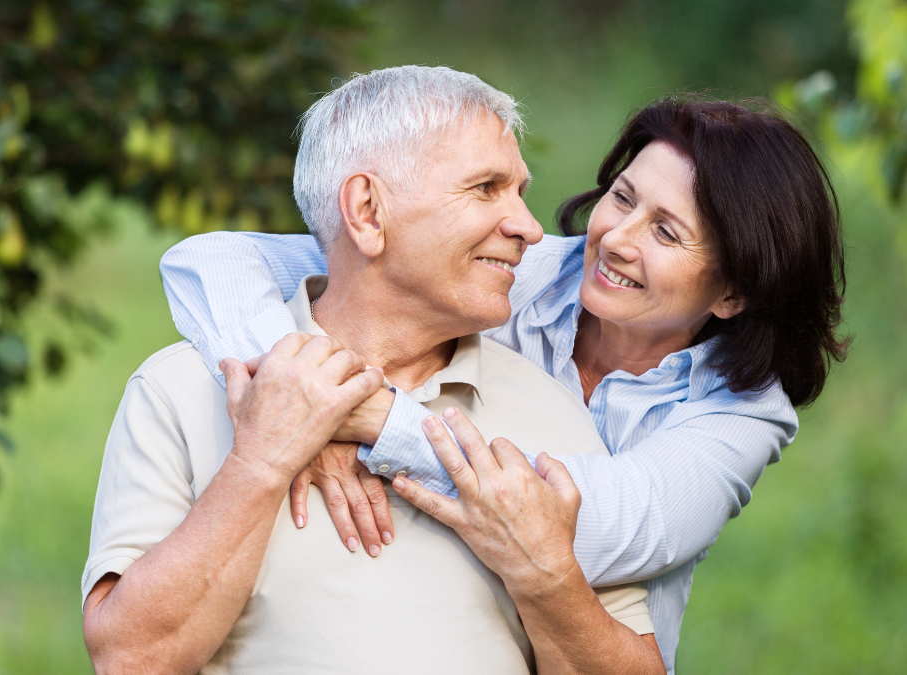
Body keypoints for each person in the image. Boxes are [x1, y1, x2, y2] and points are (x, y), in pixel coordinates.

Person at [160, 82, 848, 672]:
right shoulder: (512, 273)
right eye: (622, 196)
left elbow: (582, 523)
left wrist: (362, 415)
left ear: (731, 292)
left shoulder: (744, 413)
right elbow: (212, 263)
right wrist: (299, 388)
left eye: (667, 233)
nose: (616, 238)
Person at [82, 65, 665, 675]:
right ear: (366, 210)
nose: (529, 226)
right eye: (486, 188)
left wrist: (546, 577)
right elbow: (131, 661)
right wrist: (261, 462)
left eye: (519, 191)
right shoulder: (179, 391)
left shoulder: (550, 409)